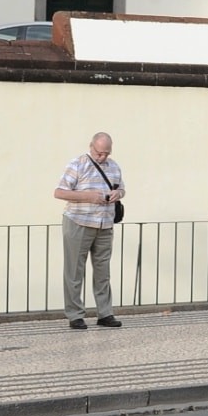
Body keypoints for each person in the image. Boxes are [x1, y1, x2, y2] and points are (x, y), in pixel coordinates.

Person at [53, 132, 124, 330]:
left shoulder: (114, 166)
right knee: (74, 270)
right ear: (91, 146)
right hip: (78, 222)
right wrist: (89, 196)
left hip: (104, 225)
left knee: (103, 272)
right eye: (99, 152)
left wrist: (117, 194)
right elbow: (59, 192)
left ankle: (105, 313)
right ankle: (75, 315)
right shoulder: (78, 164)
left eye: (106, 153)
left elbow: (122, 189)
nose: (102, 157)